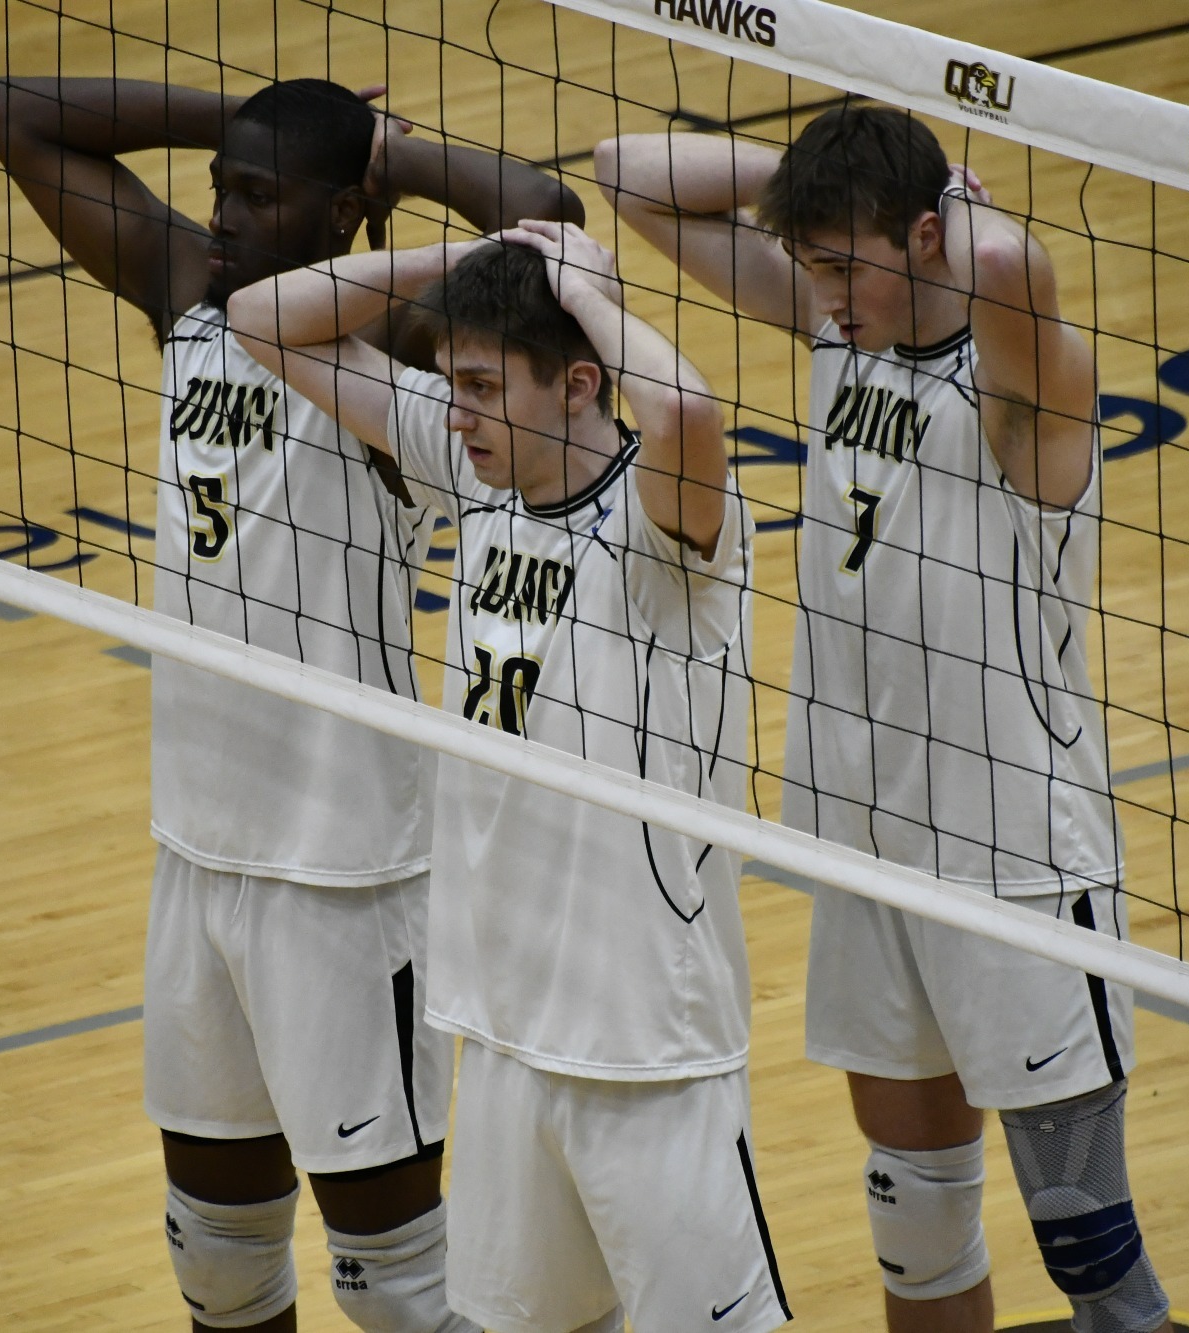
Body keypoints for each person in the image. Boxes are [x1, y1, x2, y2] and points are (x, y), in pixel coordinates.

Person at [0, 72, 580, 1333]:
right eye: (219, 189)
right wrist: (243, 121)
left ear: (342, 208)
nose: (224, 213)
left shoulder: (393, 370)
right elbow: (14, 112)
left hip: (341, 881)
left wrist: (387, 159)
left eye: (260, 193)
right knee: (218, 1265)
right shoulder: (186, 302)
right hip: (195, 856)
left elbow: (543, 212)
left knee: (397, 1290)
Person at [598, 107, 1174, 1333]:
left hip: (1009, 855)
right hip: (860, 841)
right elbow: (626, 177)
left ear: (927, 235)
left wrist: (936, 193)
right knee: (913, 1226)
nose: (826, 292)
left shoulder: (1028, 387)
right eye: (809, 265)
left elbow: (1013, 268)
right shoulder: (835, 325)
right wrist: (822, 203)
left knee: (1091, 1260)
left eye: (849, 262)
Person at [226, 222, 787, 1333]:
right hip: (502, 1034)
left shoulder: (660, 520)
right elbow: (260, 320)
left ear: (580, 382)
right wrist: (450, 261)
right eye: (450, 384)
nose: (459, 411)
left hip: (645, 1046)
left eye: (483, 385)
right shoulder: (475, 471)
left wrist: (591, 293)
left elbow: (681, 413)